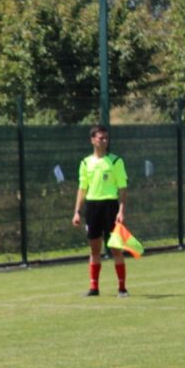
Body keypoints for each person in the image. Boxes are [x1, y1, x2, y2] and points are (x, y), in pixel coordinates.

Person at [72, 124, 129, 297]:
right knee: (94, 249)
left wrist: (121, 210)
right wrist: (77, 211)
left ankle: (122, 288)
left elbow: (122, 188)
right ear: (92, 140)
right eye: (101, 138)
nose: (104, 141)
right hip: (92, 208)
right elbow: (82, 188)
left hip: (110, 207)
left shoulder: (116, 161)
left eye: (106, 138)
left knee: (116, 249)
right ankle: (94, 288)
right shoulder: (85, 162)